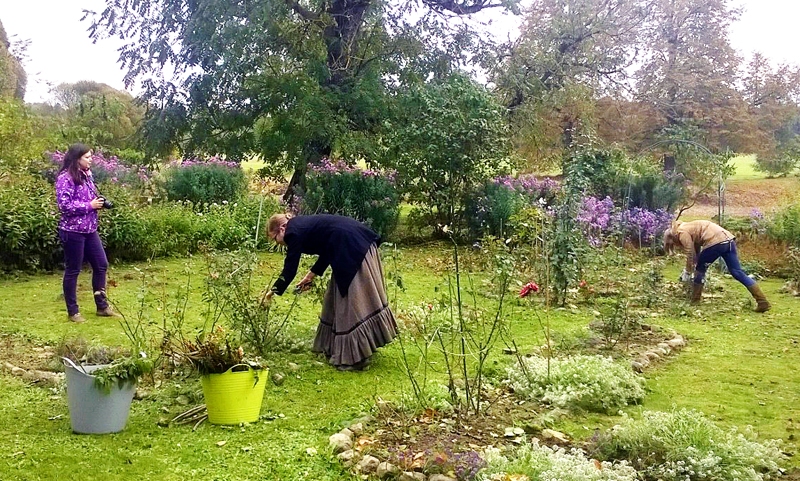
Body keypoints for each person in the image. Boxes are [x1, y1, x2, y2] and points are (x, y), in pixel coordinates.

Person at [262, 213, 398, 371]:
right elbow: (328, 248)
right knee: (338, 296)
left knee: (352, 301)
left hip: (352, 246)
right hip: (350, 244)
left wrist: (271, 292)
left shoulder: (293, 232)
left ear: (283, 228)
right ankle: (344, 349)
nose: (277, 243)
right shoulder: (300, 227)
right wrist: (310, 275)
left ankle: (356, 359)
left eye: (274, 238)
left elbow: (290, 270)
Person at [55, 143, 117, 323]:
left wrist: (98, 202)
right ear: (77, 159)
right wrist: (89, 206)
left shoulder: (87, 175)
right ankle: (73, 312)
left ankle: (102, 307)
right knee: (73, 270)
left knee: (101, 264)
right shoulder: (64, 179)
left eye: (91, 157)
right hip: (72, 231)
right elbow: (64, 206)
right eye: (87, 157)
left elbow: (88, 197)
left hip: (90, 229)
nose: (91, 160)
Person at [663, 219, 770, 312]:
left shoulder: (681, 232)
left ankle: (694, 301)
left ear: (672, 238)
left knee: (700, 271)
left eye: (674, 245)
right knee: (737, 272)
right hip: (728, 240)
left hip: (715, 242)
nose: (677, 246)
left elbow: (690, 254)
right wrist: (694, 263)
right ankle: (762, 301)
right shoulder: (688, 227)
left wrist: (687, 271)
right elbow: (696, 252)